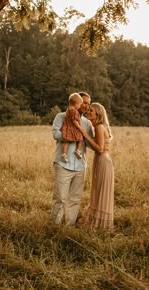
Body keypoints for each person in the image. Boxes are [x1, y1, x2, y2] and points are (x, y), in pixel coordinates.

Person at [51, 92, 94, 226]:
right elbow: (56, 134)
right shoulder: (61, 116)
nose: (86, 106)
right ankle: (55, 226)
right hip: (63, 164)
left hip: (80, 166)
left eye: (88, 104)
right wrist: (72, 135)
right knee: (60, 198)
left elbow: (91, 141)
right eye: (84, 103)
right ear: (77, 102)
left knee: (75, 199)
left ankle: (68, 226)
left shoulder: (87, 122)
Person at [77, 102, 114, 230]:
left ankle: (99, 224)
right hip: (103, 161)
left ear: (98, 114)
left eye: (91, 110)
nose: (88, 112)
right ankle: (98, 222)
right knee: (98, 190)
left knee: (100, 190)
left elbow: (100, 148)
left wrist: (84, 133)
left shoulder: (99, 126)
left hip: (103, 161)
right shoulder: (99, 126)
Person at [61, 93, 84, 163]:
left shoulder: (68, 109)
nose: (80, 106)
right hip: (73, 128)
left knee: (66, 141)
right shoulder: (74, 111)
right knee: (80, 139)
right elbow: (74, 120)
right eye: (80, 104)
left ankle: (64, 154)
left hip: (67, 128)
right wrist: (80, 128)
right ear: (76, 104)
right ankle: (78, 151)